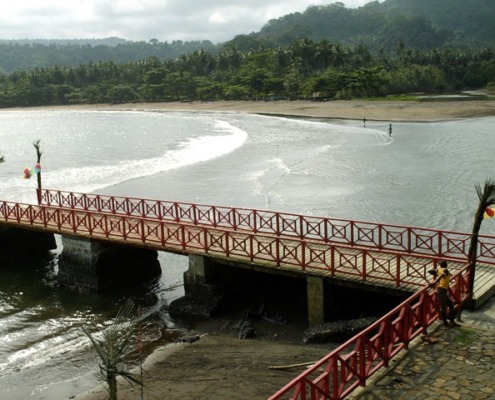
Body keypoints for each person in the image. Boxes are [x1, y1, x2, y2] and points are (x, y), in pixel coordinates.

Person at [430, 260, 460, 327]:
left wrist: (436, 271)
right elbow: (441, 276)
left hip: (443, 290)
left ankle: (451, 321)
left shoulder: (439, 270)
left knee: (451, 304)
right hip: (441, 289)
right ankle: (445, 323)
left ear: (440, 265)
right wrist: (434, 282)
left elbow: (430, 271)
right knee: (443, 307)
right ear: (446, 265)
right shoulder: (446, 270)